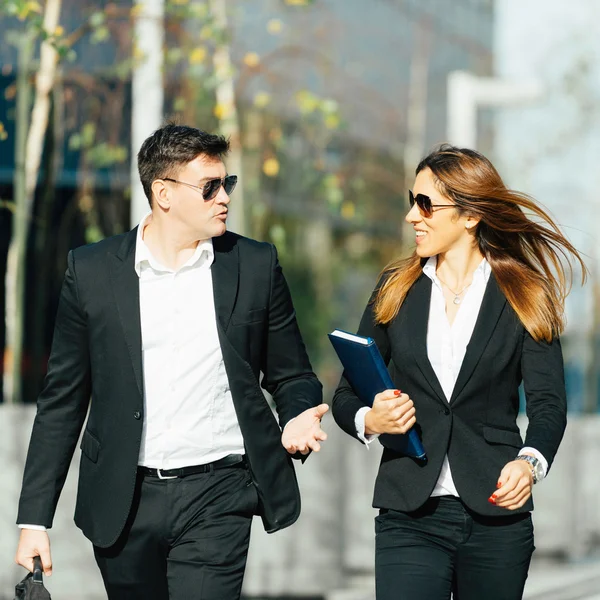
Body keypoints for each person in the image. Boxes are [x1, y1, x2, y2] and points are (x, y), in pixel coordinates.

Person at [15, 124, 328, 600]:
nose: (224, 197)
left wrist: (298, 413)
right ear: (163, 194)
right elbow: (62, 400)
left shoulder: (255, 264)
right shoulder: (93, 270)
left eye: (227, 184)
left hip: (220, 492)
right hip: (124, 497)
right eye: (209, 188)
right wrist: (35, 519)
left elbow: (292, 375)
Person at [332, 144, 586, 600]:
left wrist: (529, 464)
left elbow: (549, 405)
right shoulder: (395, 289)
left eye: (426, 204)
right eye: (412, 200)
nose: (412, 215)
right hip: (408, 513)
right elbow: (347, 393)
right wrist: (370, 421)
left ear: (470, 216)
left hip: (495, 520)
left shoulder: (526, 294)